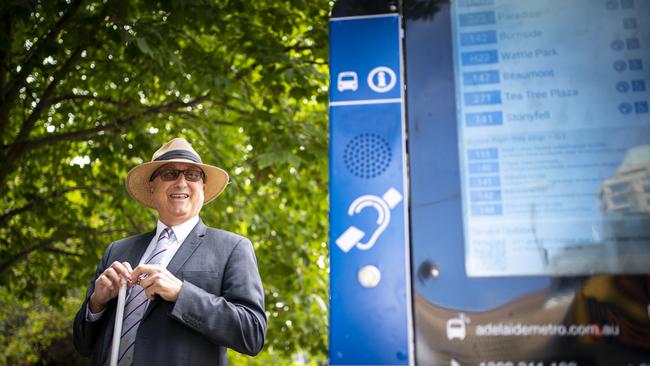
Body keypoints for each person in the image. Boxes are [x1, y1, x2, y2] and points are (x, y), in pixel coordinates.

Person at [73, 138, 266, 366]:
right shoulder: (118, 249)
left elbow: (252, 333)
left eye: (192, 175)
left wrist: (182, 294)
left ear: (203, 188)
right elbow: (82, 344)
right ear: (152, 188)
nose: (182, 182)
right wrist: (96, 303)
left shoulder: (233, 248)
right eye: (169, 173)